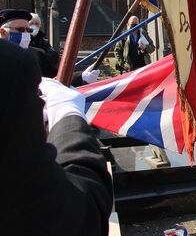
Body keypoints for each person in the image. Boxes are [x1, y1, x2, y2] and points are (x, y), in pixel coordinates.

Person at [0, 38, 113, 234]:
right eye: (21, 29)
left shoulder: (34, 52)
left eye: (28, 28)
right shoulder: (13, 64)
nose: (26, 33)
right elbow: (75, 214)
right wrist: (68, 115)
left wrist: (80, 78)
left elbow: (52, 78)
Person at [29, 12, 60, 77]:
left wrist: (43, 55)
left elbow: (54, 56)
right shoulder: (25, 38)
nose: (34, 26)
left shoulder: (43, 40)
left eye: (36, 24)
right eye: (31, 23)